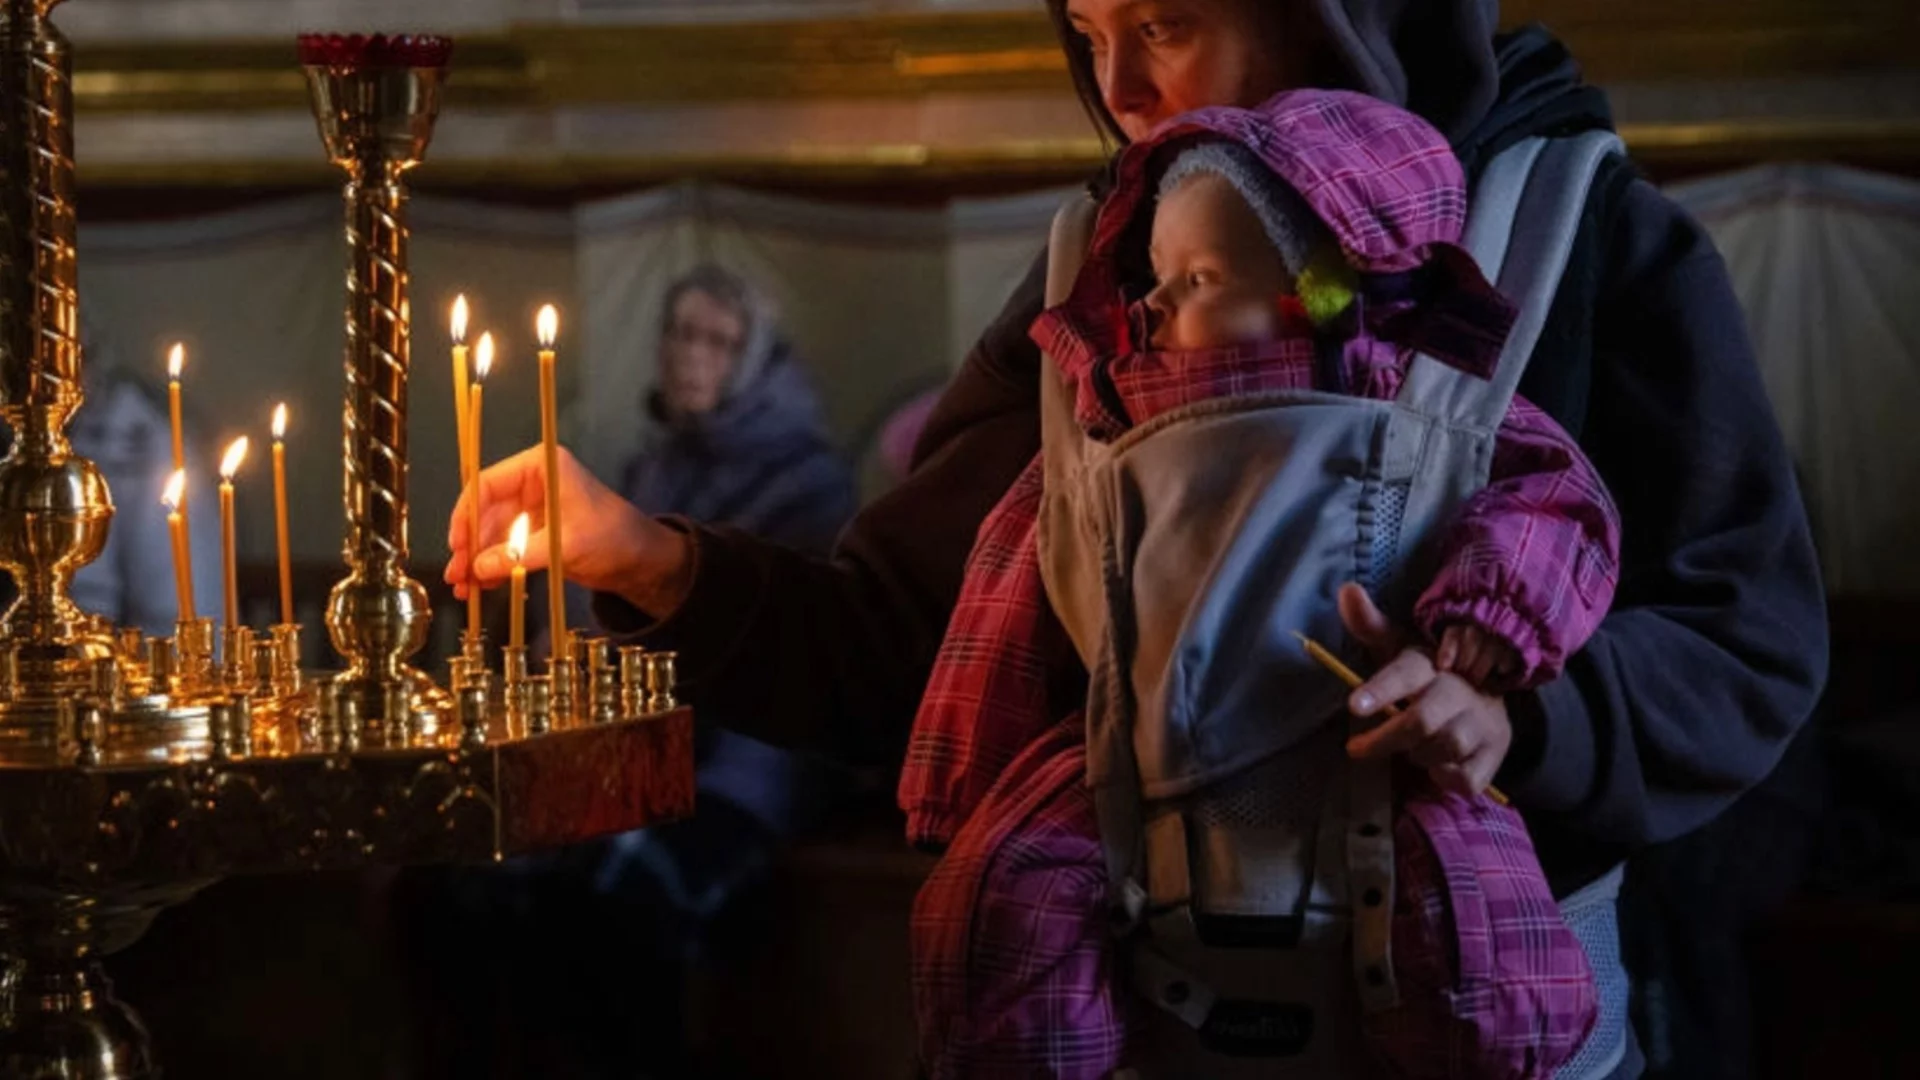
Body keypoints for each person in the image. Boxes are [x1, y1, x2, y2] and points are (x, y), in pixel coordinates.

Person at [447, 3, 1828, 1076]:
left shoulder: (1577, 235)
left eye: (1164, 26)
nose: (1118, 92)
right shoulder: (1104, 282)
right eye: (1090, 37)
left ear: (1325, 17)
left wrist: (1525, 723)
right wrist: (642, 555)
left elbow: (1744, 642)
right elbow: (888, 644)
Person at [899, 89, 1622, 1075]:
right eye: (1152, 276)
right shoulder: (1098, 436)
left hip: (1380, 746)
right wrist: (966, 773)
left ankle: (1502, 1047)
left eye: (1195, 277)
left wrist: (1486, 630)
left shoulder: (1426, 416)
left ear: (1315, 295)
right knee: (1002, 894)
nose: (1150, 305)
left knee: (1470, 915)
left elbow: (1552, 502)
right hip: (1131, 763)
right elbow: (1010, 580)